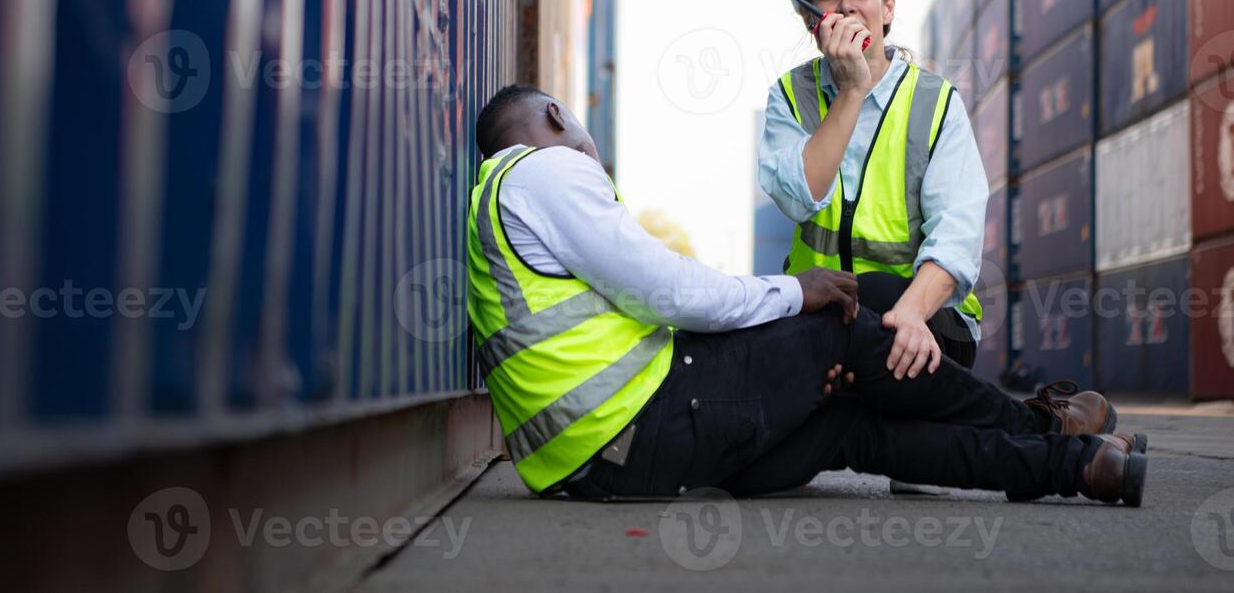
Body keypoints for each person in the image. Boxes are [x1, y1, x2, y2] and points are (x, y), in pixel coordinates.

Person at [465, 84, 1147, 505]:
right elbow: (671, 292)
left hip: (601, 468)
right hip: (646, 422)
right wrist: (797, 289)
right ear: (555, 115)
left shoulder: (489, 207)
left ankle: (1076, 468)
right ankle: (1046, 428)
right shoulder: (544, 170)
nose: (590, 154)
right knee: (846, 330)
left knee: (852, 429)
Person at [758, 0, 986, 381]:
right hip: (823, 316)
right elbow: (798, 197)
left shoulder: (936, 103)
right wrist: (852, 90)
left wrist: (911, 314)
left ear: (888, 7)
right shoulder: (789, 96)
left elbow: (958, 236)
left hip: (924, 317)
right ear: (809, 19)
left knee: (875, 297)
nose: (846, 6)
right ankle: (1046, 426)